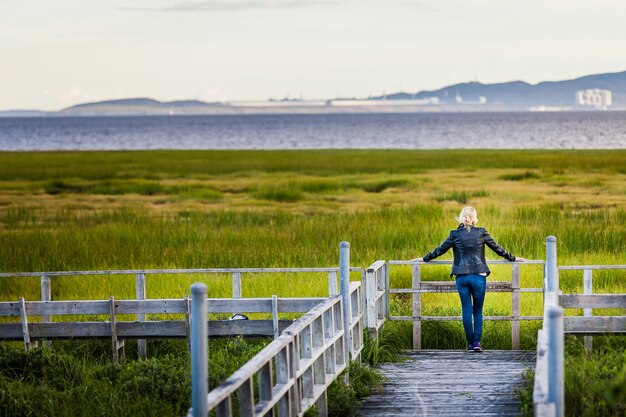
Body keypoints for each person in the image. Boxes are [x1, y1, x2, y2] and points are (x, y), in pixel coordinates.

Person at [414, 206, 525, 352]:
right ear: (475, 218)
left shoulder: (454, 234)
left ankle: (470, 344)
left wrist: (424, 259)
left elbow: (439, 250)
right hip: (479, 276)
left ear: (461, 218)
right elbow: (497, 248)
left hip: (462, 277)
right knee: (477, 310)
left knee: (466, 309)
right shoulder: (481, 232)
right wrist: (513, 258)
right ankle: (477, 342)